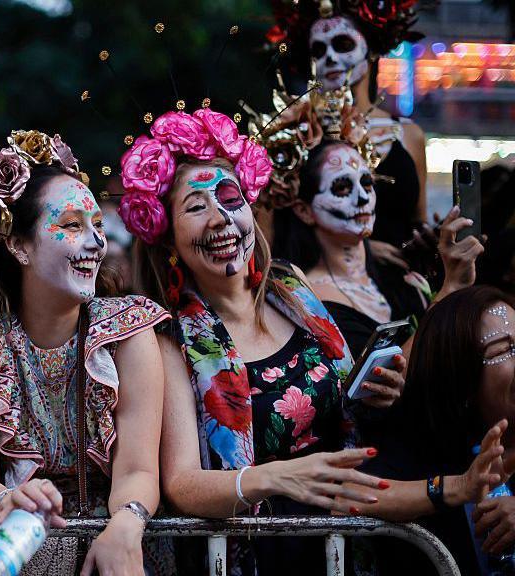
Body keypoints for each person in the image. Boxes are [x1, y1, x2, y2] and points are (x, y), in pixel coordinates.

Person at [118, 102, 406, 573]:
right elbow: (181, 483)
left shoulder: (293, 290)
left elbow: (343, 406)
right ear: (168, 237)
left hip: (343, 543)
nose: (220, 219)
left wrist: (377, 393)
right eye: (196, 207)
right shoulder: (168, 337)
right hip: (253, 555)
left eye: (231, 200)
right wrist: (277, 478)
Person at [0, 130, 167, 574]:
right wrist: (6, 499)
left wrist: (126, 524)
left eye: (98, 226)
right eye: (71, 225)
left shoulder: (129, 329)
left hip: (118, 542)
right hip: (18, 545)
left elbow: (138, 468)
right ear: (19, 245)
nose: (96, 243)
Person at [344, 286, 515, 575]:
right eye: (504, 349)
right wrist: (457, 487)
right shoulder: (421, 457)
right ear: (461, 378)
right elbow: (345, 496)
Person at [275, 135, 483, 356]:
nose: (363, 197)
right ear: (304, 211)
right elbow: (382, 386)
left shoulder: (405, 279)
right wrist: (451, 287)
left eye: (367, 183)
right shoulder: (307, 301)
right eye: (343, 187)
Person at [268, 0, 429, 258]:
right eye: (318, 51)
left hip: (400, 286)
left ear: (372, 50)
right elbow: (278, 230)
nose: (330, 58)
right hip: (325, 286)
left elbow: (418, 222)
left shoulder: (409, 135)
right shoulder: (293, 135)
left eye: (343, 45)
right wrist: (364, 250)